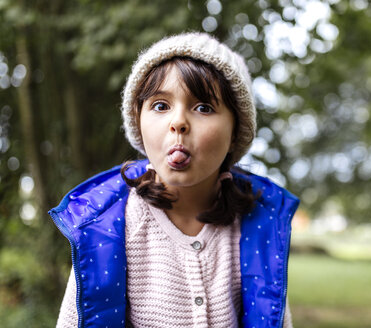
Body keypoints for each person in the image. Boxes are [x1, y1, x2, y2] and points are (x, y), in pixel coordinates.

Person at [49, 32, 299, 328]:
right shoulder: (106, 227)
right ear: (138, 122)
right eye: (160, 106)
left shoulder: (255, 226)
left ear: (235, 132)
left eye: (203, 107)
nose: (177, 122)